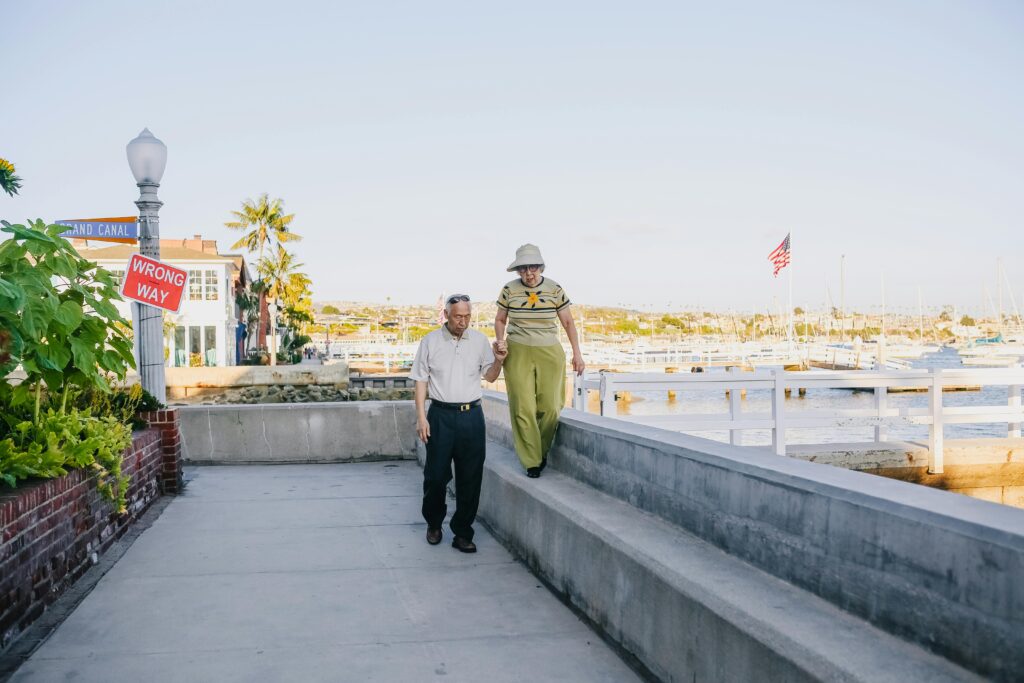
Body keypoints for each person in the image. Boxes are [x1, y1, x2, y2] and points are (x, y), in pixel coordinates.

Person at [411, 294, 507, 552]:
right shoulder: (430, 341)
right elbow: (420, 380)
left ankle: (463, 532)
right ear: (446, 314)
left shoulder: (479, 340)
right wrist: (421, 417)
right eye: (458, 316)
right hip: (440, 416)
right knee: (435, 477)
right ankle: (434, 523)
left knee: (470, 478)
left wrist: (498, 360)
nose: (463, 321)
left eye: (467, 316)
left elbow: (489, 375)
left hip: (472, 418)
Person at [494, 244, 585, 478]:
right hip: (517, 351)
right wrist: (500, 340)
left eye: (533, 267)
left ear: (540, 267)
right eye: (523, 269)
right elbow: (500, 319)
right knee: (523, 406)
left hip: (549, 351)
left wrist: (577, 353)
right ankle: (531, 461)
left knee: (551, 406)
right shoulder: (509, 290)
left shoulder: (555, 289)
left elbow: (568, 322)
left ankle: (541, 450)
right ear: (518, 271)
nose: (529, 273)